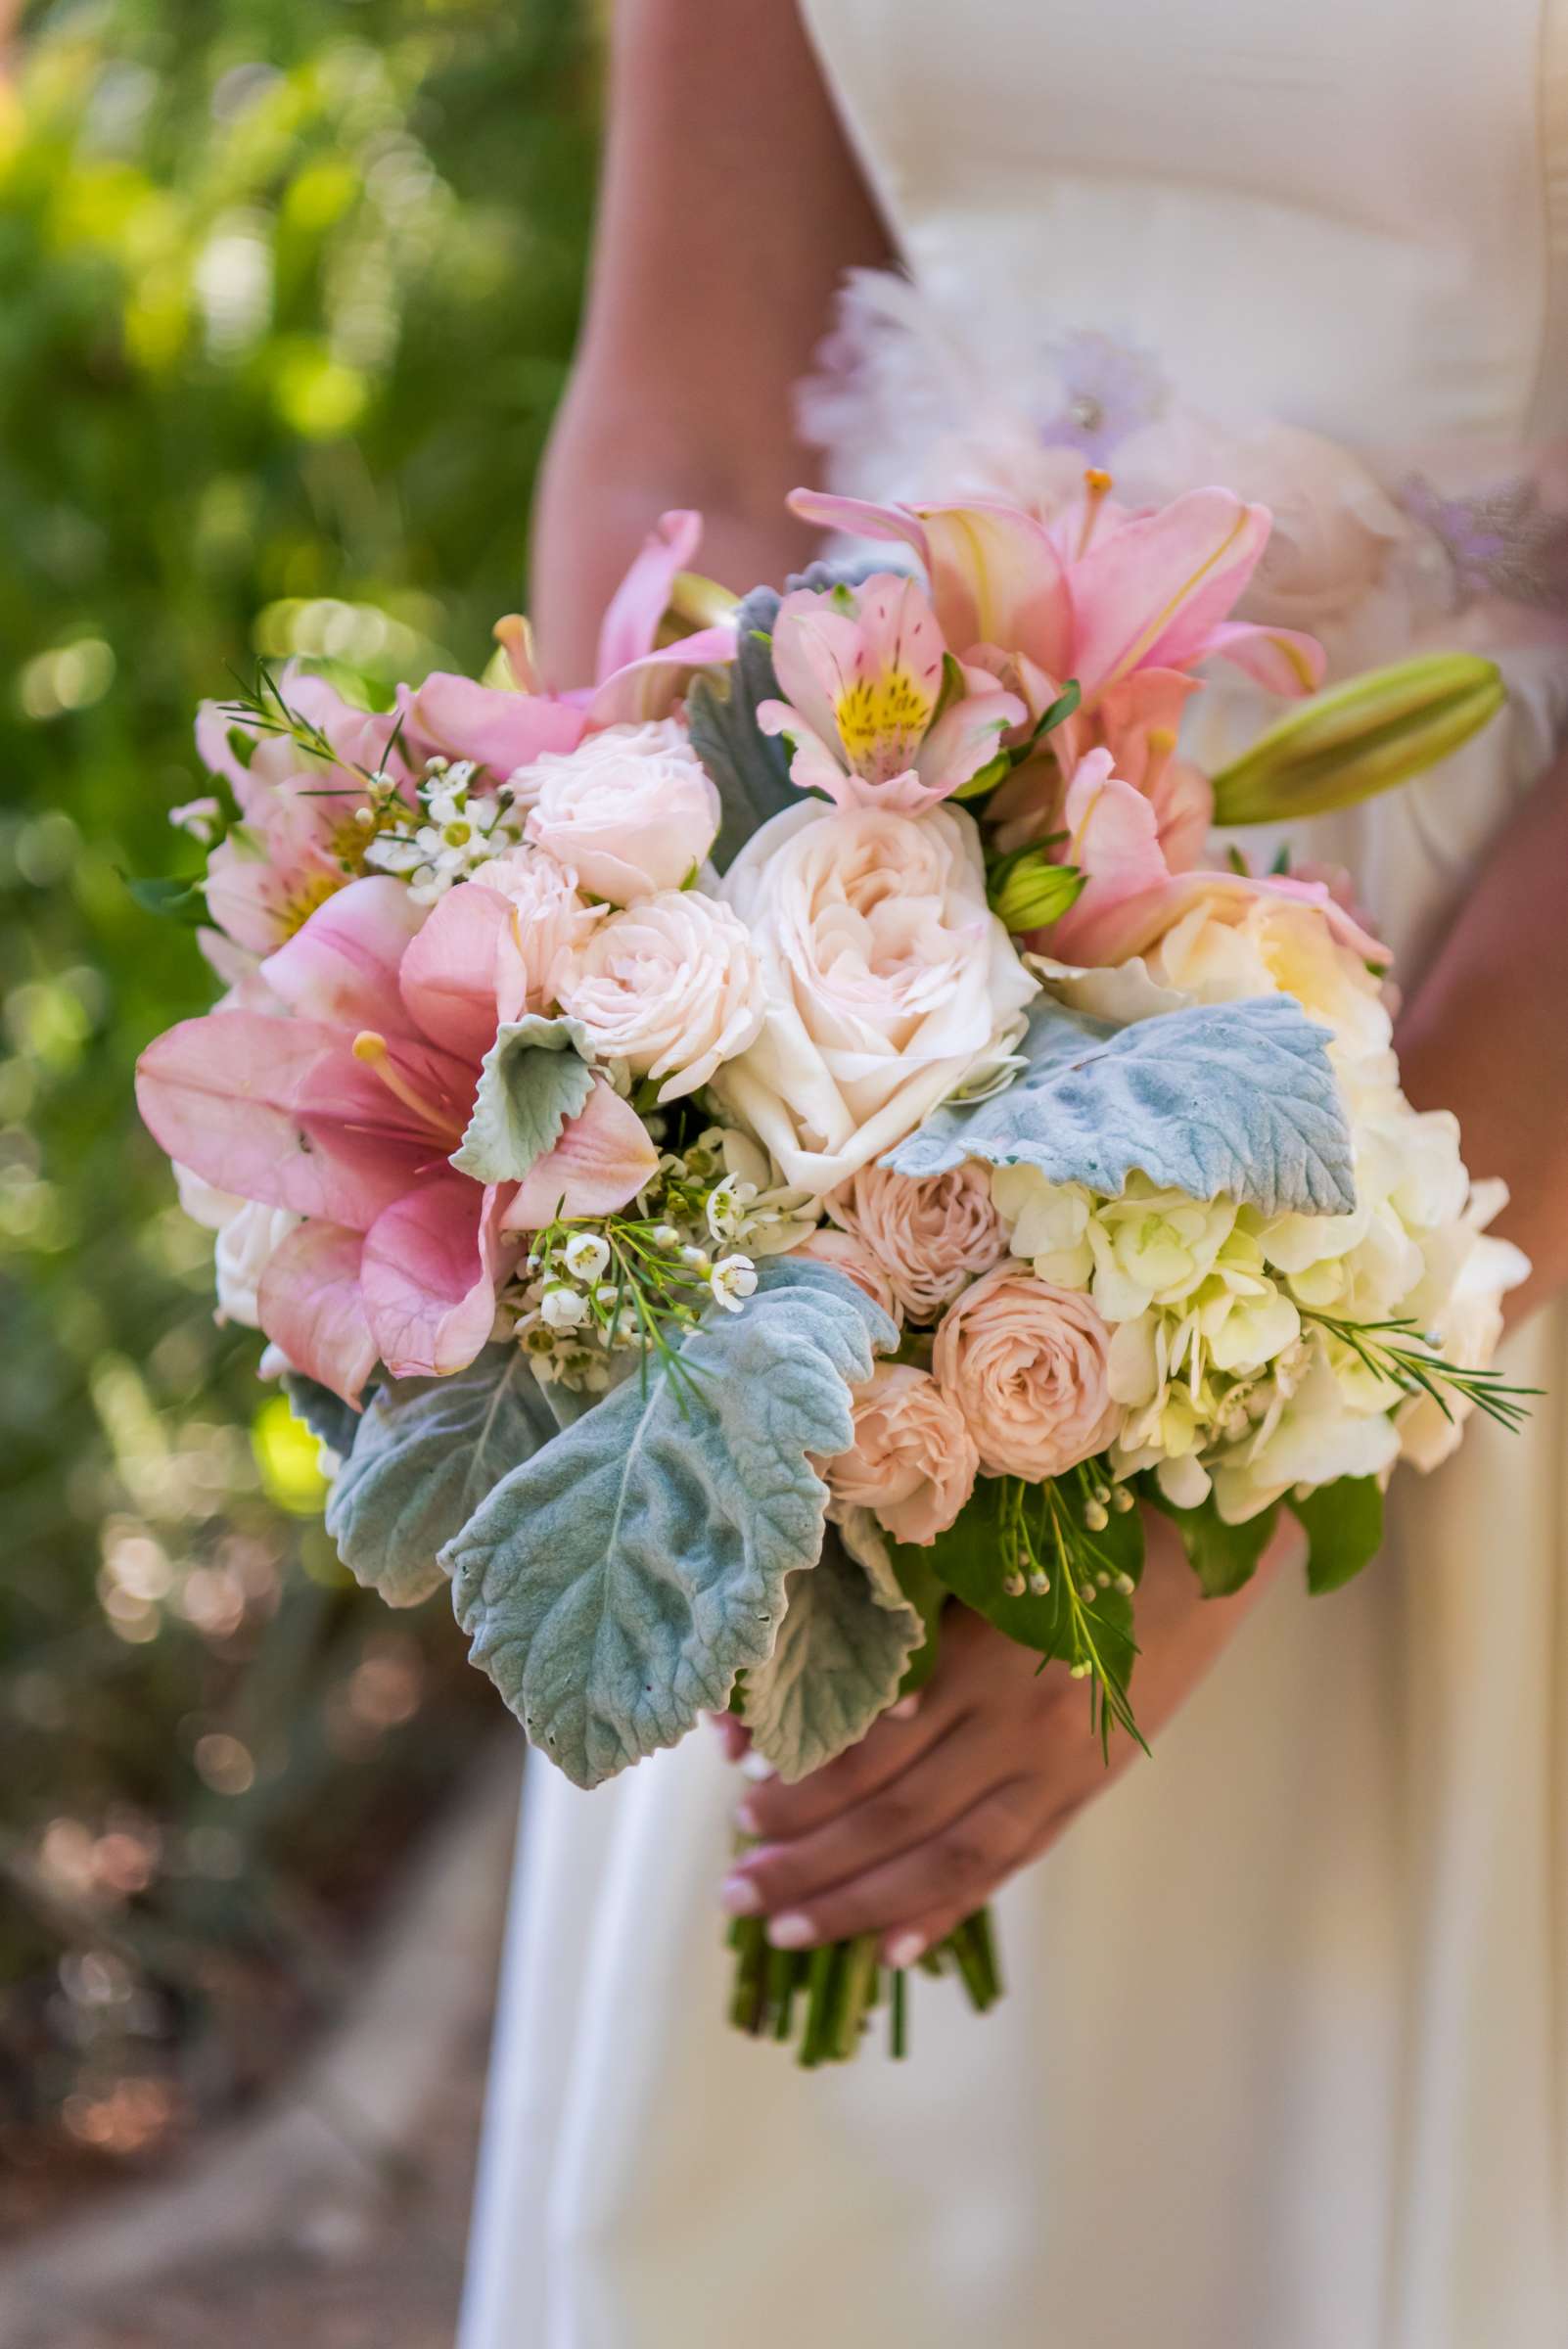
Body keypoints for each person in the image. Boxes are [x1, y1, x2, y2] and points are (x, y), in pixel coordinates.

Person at [460, 5, 1568, 2342]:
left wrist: (1277, 1410)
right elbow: (693, 397)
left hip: (1476, 1036)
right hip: (881, 934)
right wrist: (686, 1101)